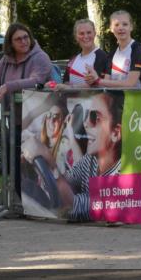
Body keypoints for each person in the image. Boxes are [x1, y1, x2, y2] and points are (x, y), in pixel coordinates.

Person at [23, 91, 124, 222]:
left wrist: (49, 162)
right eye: (86, 116)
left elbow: (73, 206)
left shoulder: (122, 174)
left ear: (115, 133)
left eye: (94, 117)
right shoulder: (91, 160)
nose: (86, 123)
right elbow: (67, 181)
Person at [0, 22, 53, 104]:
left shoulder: (40, 57)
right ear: (11, 43)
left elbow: (36, 81)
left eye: (26, 37)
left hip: (36, 113)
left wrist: (7, 87)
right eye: (18, 39)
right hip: (10, 114)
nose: (23, 41)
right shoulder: (6, 58)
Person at [95, 11, 141, 89]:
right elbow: (106, 83)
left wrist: (98, 80)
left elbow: (130, 84)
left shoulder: (138, 50)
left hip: (136, 100)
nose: (121, 28)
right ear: (111, 29)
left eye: (125, 24)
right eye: (116, 25)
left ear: (131, 27)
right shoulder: (112, 54)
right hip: (116, 99)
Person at [63, 19, 111, 88]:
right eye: (81, 33)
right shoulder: (73, 59)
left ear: (94, 33)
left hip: (92, 99)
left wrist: (71, 87)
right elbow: (65, 82)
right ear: (76, 37)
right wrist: (53, 85)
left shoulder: (102, 56)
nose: (85, 36)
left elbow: (96, 86)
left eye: (89, 32)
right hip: (71, 98)